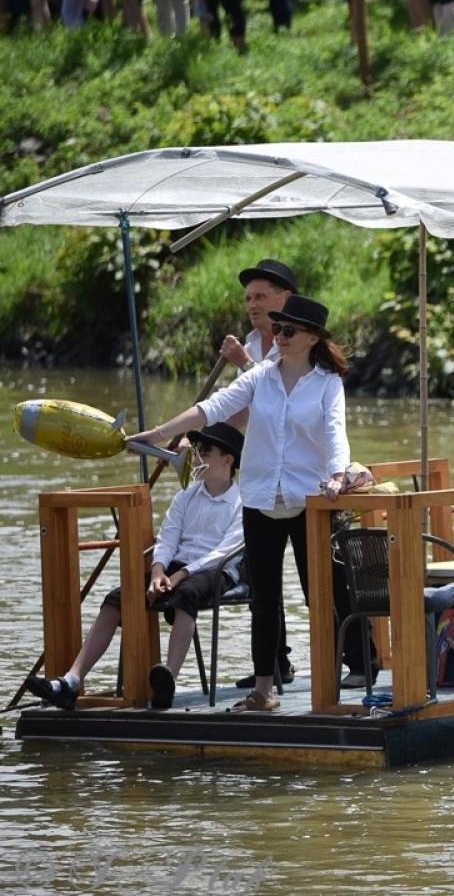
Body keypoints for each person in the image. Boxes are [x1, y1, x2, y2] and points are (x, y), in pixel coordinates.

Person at [127, 294, 364, 711]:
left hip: (308, 498)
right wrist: (160, 433)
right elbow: (213, 408)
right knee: (265, 599)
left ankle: (327, 686)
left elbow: (335, 433)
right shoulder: (260, 378)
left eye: (289, 331)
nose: (280, 337)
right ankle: (263, 691)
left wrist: (340, 473)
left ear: (311, 338)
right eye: (278, 329)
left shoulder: (328, 383)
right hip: (259, 499)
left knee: (318, 595)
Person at [23, 423, 247, 712]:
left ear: (227, 460)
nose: (198, 456)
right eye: (198, 449)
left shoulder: (242, 502)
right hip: (174, 568)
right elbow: (167, 538)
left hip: (216, 571)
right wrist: (157, 572)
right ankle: (71, 680)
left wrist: (178, 575)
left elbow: (224, 551)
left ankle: (168, 679)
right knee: (120, 596)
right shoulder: (185, 496)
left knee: (188, 593)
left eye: (205, 451)